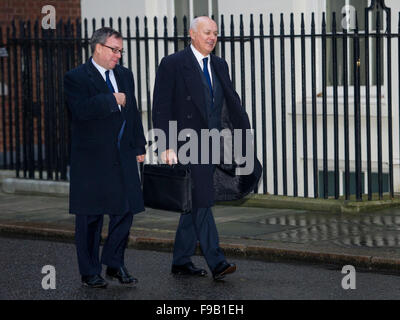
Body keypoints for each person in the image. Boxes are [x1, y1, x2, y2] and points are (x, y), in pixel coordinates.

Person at [152, 16, 261, 281]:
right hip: (187, 143)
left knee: (192, 202)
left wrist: (241, 139)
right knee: (202, 200)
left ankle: (181, 260)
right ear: (191, 34)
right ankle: (217, 260)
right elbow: (161, 106)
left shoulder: (220, 64)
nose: (212, 37)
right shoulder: (173, 64)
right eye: (206, 32)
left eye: (215, 33)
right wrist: (166, 145)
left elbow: (229, 104)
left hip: (215, 144)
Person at [64, 27, 146, 288]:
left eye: (121, 50)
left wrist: (139, 145)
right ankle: (89, 271)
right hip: (91, 159)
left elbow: (132, 113)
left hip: (122, 156)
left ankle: (113, 263)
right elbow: (79, 111)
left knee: (126, 211)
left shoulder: (125, 75)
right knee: (90, 217)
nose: (118, 56)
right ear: (98, 47)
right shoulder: (76, 77)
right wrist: (111, 99)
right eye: (114, 50)